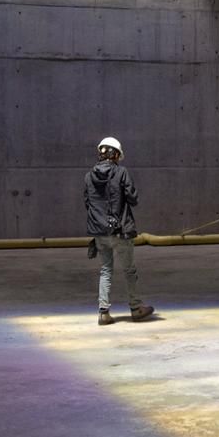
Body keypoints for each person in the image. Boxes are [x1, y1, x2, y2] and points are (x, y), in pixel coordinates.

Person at [85, 136, 155, 325]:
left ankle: (103, 313)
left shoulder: (89, 176)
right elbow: (133, 199)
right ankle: (136, 308)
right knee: (129, 271)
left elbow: (88, 203)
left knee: (106, 270)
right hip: (120, 230)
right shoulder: (121, 172)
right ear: (115, 154)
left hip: (99, 232)